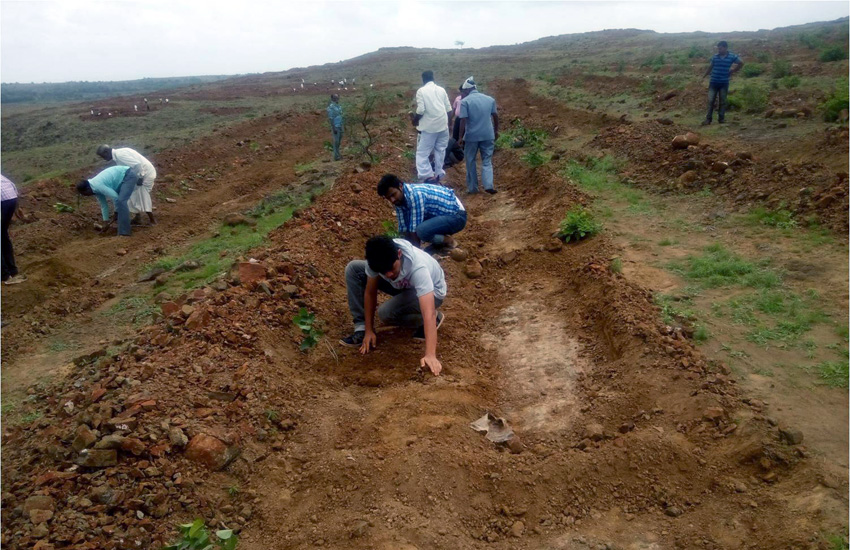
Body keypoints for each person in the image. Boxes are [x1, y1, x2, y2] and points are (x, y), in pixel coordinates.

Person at [341, 235, 447, 376]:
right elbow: (370, 292)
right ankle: (359, 329)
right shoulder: (377, 262)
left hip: (433, 293)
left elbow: (429, 312)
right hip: (404, 285)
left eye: (391, 268)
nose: (389, 274)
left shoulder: (418, 267)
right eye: (383, 272)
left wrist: (430, 355)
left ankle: (432, 320)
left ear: (399, 254)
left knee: (385, 314)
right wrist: (368, 330)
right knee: (354, 269)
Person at [377, 174, 466, 250]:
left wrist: (415, 255)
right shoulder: (399, 200)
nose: (392, 200)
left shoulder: (415, 195)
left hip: (457, 216)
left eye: (393, 195)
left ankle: (448, 241)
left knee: (421, 231)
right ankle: (440, 242)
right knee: (417, 228)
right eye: (388, 198)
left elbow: (414, 231)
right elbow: (404, 229)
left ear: (400, 186)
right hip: (443, 215)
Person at [96, 145, 157, 225]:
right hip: (140, 174)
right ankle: (138, 218)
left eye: (103, 156)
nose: (104, 159)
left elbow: (137, 165)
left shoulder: (120, 155)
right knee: (131, 194)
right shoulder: (119, 155)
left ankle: (152, 220)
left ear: (106, 152)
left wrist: (141, 177)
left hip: (145, 174)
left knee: (142, 195)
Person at [458, 76, 499, 194]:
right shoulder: (489, 99)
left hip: (472, 136)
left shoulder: (465, 102)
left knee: (470, 161)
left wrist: (461, 137)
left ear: (466, 90)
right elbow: (495, 116)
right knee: (487, 160)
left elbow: (463, 120)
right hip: (488, 134)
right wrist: (496, 131)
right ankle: (488, 185)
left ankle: (473, 188)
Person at [76, 165, 142, 236]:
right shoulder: (94, 188)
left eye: (85, 194)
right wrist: (106, 222)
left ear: (87, 189)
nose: (86, 196)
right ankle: (127, 225)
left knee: (121, 201)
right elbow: (103, 205)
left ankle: (124, 233)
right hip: (122, 179)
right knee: (120, 202)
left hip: (128, 175)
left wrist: (116, 212)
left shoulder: (97, 185)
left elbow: (115, 197)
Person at [412, 70, 452, 183]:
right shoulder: (441, 90)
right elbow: (449, 110)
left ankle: (428, 176)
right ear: (433, 78)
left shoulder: (421, 91)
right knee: (440, 150)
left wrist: (415, 121)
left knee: (422, 153)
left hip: (429, 128)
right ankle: (439, 173)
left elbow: (421, 110)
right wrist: (449, 125)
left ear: (423, 79)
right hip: (443, 126)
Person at [702, 41, 744, 125]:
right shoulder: (715, 57)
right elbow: (710, 67)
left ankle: (721, 119)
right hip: (713, 82)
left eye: (720, 48)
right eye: (718, 48)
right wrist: (704, 76)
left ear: (725, 48)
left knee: (722, 101)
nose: (718, 50)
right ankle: (708, 119)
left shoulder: (732, 56)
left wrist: (733, 70)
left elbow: (741, 63)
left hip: (724, 83)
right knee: (711, 101)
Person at [1, 175, 26, 285]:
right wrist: (18, 207)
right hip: (11, 198)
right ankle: (13, 271)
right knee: (2, 235)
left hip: (2, 201)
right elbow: (12, 184)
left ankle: (5, 276)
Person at [327, 94, 344, 161]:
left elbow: (341, 116)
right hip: (336, 126)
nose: (337, 99)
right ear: (332, 99)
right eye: (335, 98)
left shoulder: (339, 106)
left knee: (339, 141)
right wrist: (333, 128)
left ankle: (338, 154)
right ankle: (336, 156)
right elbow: (331, 118)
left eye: (337, 97)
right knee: (336, 141)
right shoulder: (331, 107)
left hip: (340, 125)